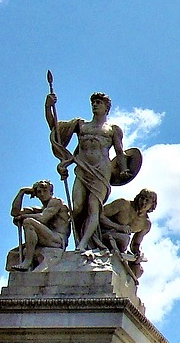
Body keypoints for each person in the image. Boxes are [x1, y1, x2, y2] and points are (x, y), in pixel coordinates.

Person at [46, 91, 138, 251]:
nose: (95, 105)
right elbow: (55, 128)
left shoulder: (113, 129)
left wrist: (123, 169)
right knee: (78, 206)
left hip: (101, 171)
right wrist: (48, 106)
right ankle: (68, 239)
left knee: (93, 206)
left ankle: (82, 245)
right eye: (93, 102)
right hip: (82, 168)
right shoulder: (81, 125)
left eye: (99, 102)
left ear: (106, 108)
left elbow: (119, 152)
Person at [8, 180, 71, 270]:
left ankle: (27, 262)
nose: (42, 194)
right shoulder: (40, 209)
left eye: (45, 190)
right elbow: (15, 213)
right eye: (39, 192)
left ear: (51, 192)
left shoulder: (56, 201)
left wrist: (23, 217)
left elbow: (43, 218)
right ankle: (29, 261)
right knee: (20, 251)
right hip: (48, 239)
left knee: (28, 222)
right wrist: (22, 192)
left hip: (58, 240)